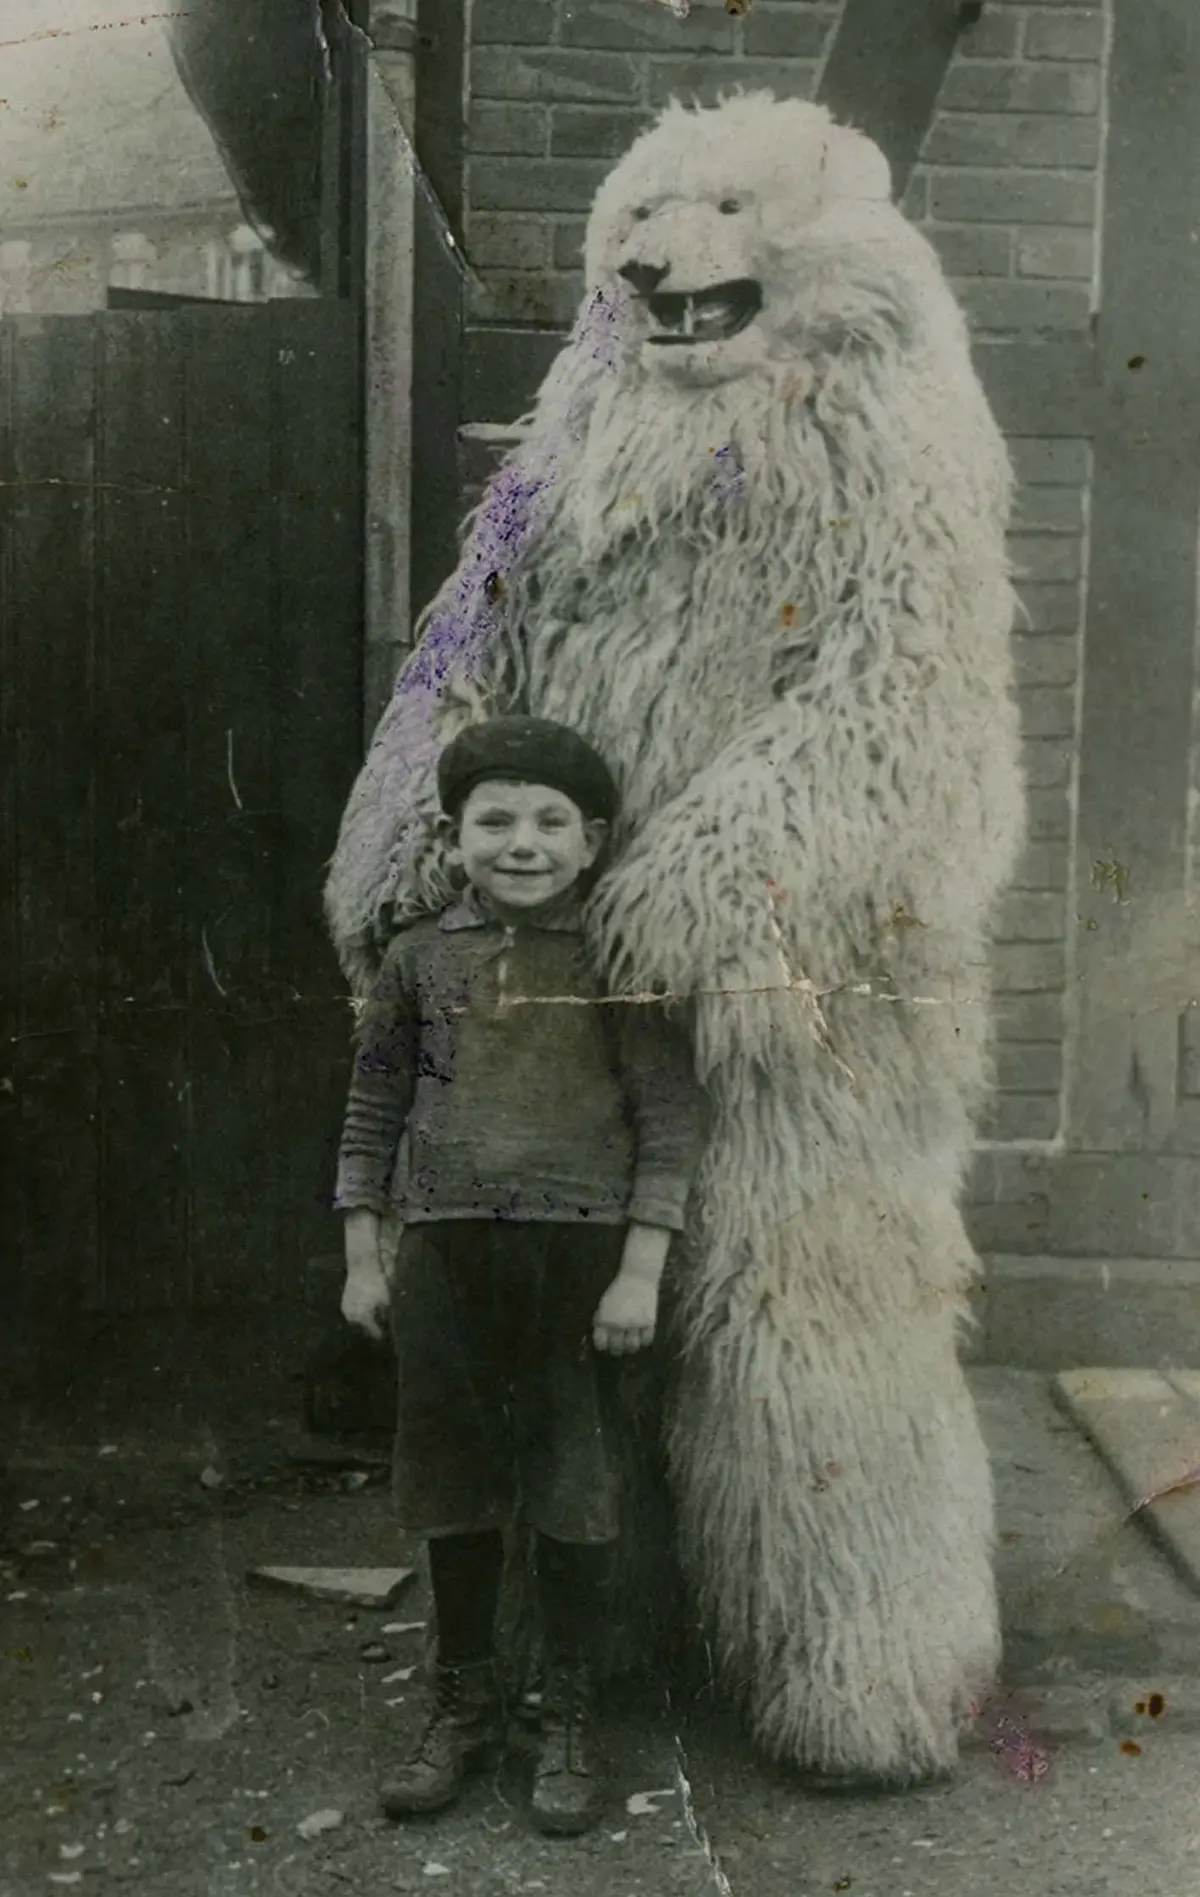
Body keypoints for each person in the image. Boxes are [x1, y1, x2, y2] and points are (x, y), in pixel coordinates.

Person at [333, 714, 703, 1837]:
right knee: (451, 1484)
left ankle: (569, 1713)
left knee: (573, 1488)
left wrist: (640, 1270)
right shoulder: (419, 960)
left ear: (591, 841)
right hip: (446, 1255)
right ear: (457, 837)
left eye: (550, 822)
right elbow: (372, 1109)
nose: (522, 842)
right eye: (494, 820)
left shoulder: (617, 962)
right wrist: (364, 1248)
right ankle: (462, 1704)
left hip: (576, 1263)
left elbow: (667, 1123)